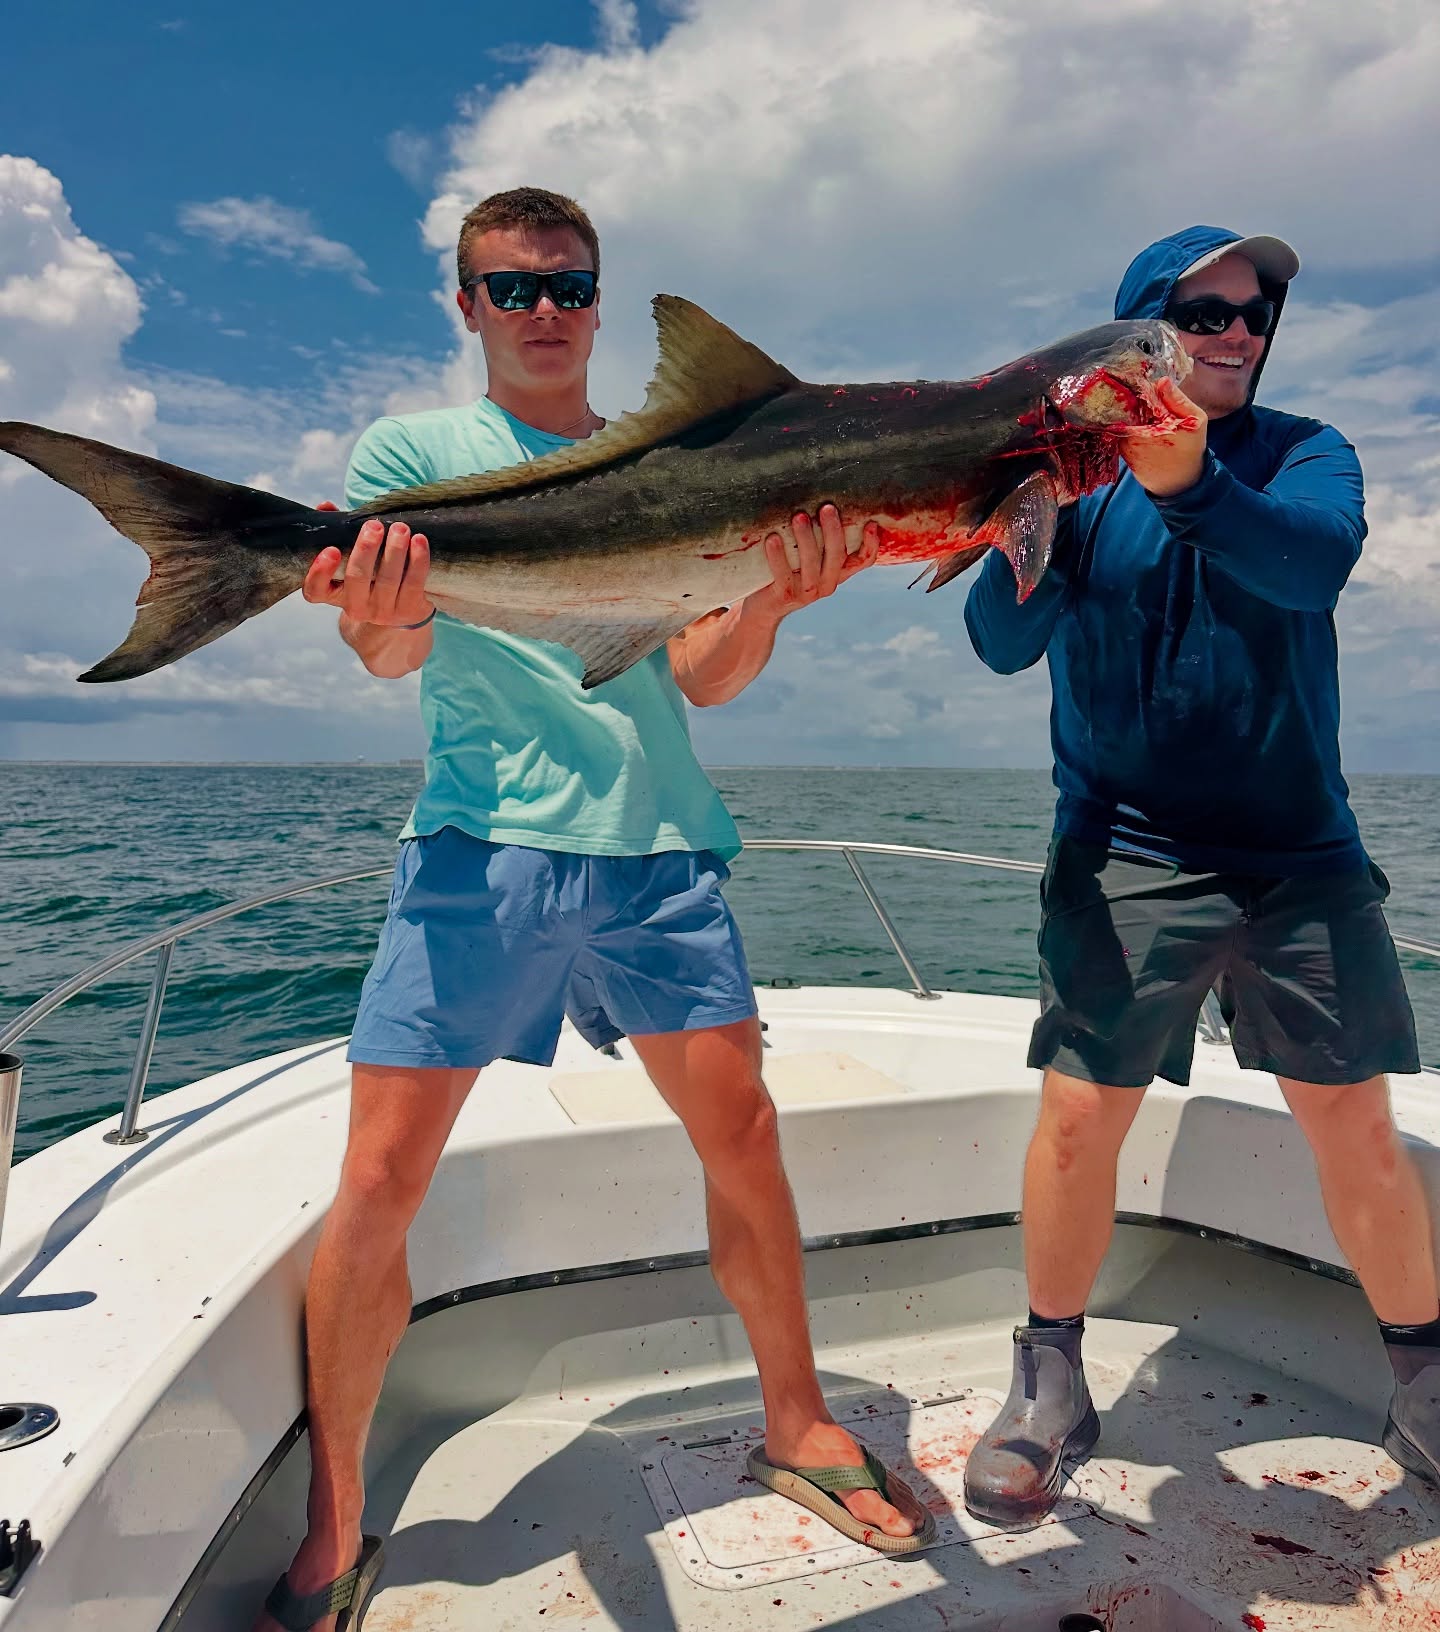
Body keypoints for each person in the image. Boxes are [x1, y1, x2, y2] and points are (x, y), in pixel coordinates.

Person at [254, 187, 927, 1632]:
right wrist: (370, 606)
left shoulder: (683, 460)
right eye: (512, 290)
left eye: (569, 287)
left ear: (600, 303)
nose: (544, 312)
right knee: (378, 1184)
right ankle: (340, 1520)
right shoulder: (417, 457)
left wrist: (775, 598)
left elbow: (702, 678)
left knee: (745, 1141)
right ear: (466, 305)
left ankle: (799, 1421)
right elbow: (388, 655)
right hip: (480, 849)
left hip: (660, 845)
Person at [960, 225, 1437, 1529]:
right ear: (1134, 334)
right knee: (1076, 1120)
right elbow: (1002, 641)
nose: (1237, 332)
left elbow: (1307, 564)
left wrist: (1187, 483)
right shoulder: (1066, 470)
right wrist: (1032, 521)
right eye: (1203, 310)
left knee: (1359, 1134)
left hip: (1302, 858)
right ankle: (1050, 1377)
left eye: (1256, 310)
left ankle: (1426, 1385)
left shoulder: (1307, 453)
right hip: (1125, 853)